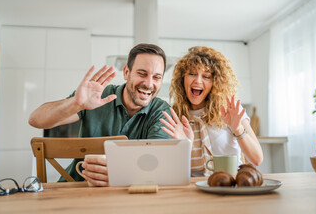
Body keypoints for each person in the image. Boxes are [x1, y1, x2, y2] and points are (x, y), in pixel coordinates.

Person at [29, 43, 172, 186]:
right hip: (75, 190)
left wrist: (120, 175)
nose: (148, 84)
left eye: (157, 77)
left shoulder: (161, 111)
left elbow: (155, 164)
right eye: (142, 74)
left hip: (127, 197)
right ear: (126, 72)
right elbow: (36, 120)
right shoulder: (97, 95)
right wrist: (75, 104)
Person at [160, 46, 263, 176]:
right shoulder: (174, 116)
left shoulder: (230, 111)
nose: (198, 80)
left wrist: (238, 129)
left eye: (206, 76)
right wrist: (184, 147)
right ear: (182, 79)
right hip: (193, 189)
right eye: (192, 74)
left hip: (229, 185)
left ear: (215, 82)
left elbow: (257, 159)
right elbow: (169, 171)